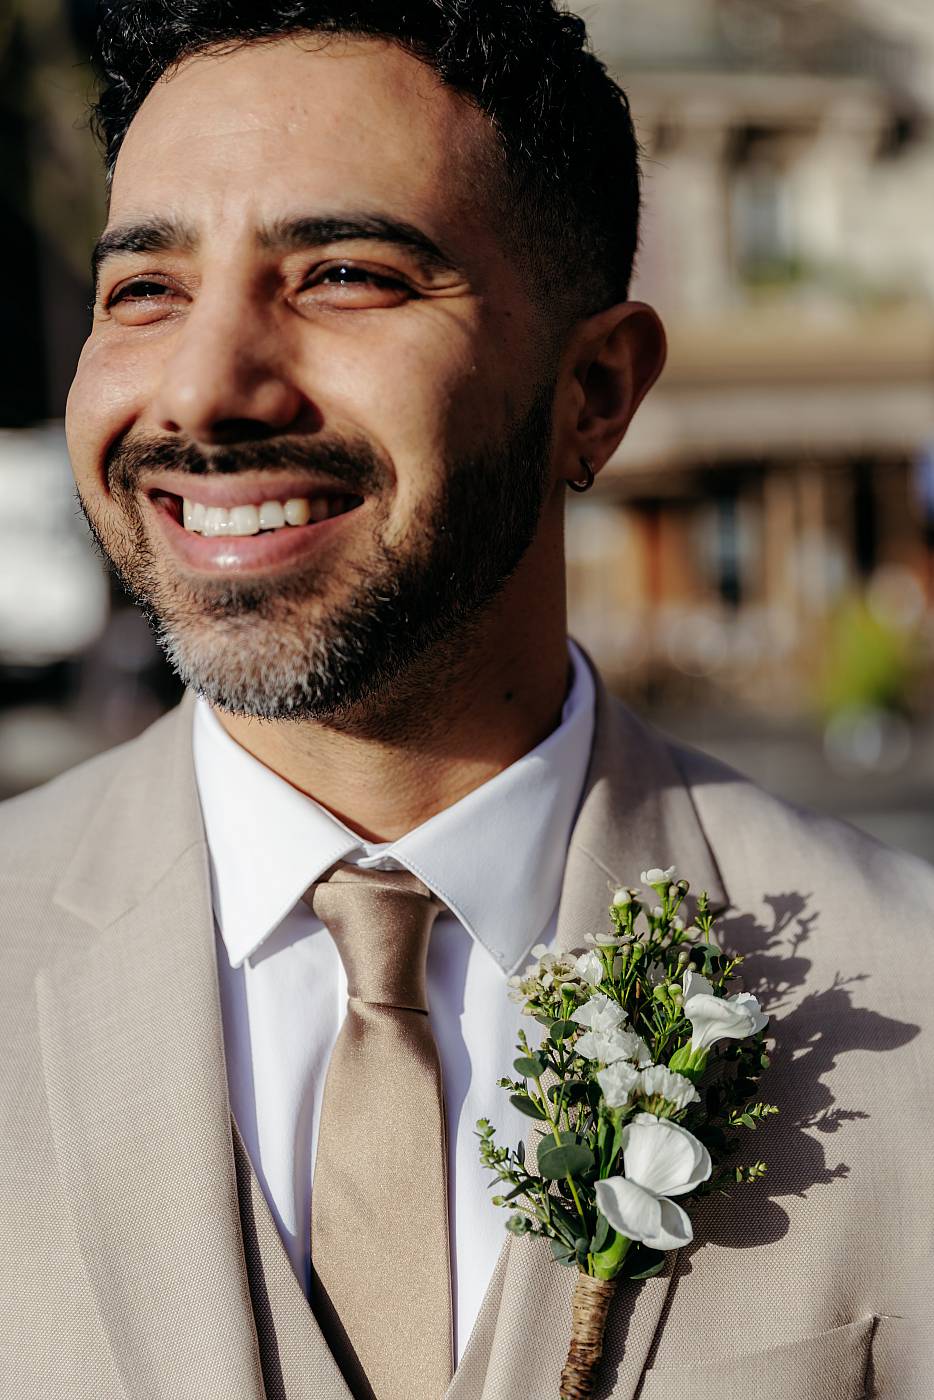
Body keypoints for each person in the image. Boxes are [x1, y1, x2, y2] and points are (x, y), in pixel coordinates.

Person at [1, 4, 931, 1398]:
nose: (205, 386)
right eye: (144, 292)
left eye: (346, 275)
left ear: (596, 390)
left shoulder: (908, 997)